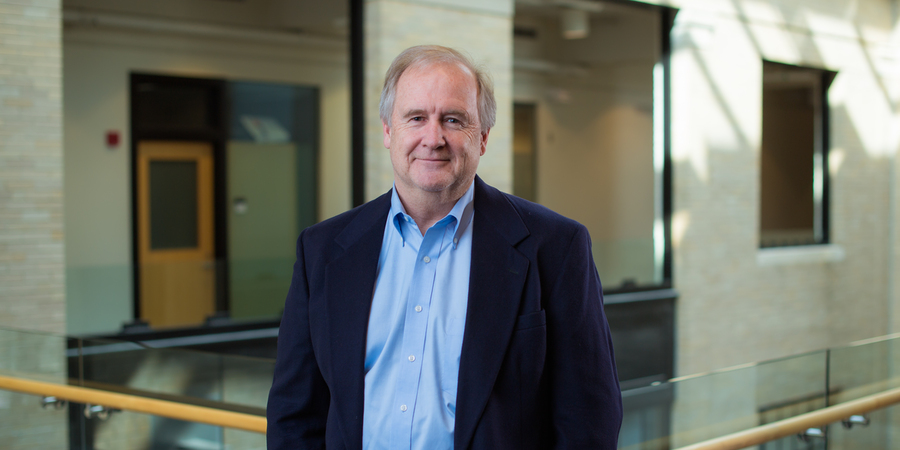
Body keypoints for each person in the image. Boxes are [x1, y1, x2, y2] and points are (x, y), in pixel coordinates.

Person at [267, 45, 622, 450]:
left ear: (482, 137)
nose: (433, 139)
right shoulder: (321, 250)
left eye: (453, 120)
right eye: (416, 118)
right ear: (388, 131)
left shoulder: (555, 247)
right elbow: (294, 415)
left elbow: (589, 420)